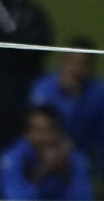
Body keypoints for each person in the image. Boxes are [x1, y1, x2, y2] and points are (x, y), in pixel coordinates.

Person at [30, 42, 104, 175]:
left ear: (91, 67)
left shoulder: (98, 93)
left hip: (87, 150)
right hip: (44, 147)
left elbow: (89, 132)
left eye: (83, 64)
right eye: (72, 62)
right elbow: (38, 125)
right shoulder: (44, 87)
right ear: (63, 61)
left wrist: (75, 99)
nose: (76, 68)